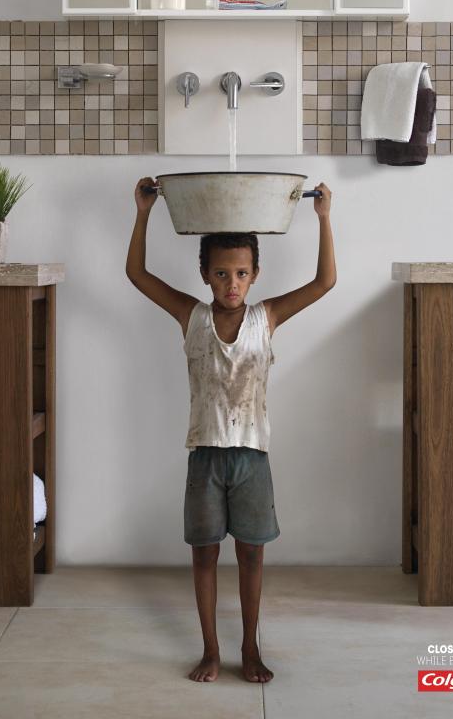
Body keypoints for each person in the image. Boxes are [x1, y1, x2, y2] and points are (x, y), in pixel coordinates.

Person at [126, 176, 336, 684]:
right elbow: (136, 273)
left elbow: (324, 283)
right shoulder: (191, 317)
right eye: (221, 273)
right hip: (205, 457)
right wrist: (143, 212)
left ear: (255, 274)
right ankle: (211, 650)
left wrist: (324, 219)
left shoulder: (266, 318)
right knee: (204, 555)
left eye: (241, 273)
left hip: (252, 460)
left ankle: (249, 647)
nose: (232, 283)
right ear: (204, 275)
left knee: (251, 555)